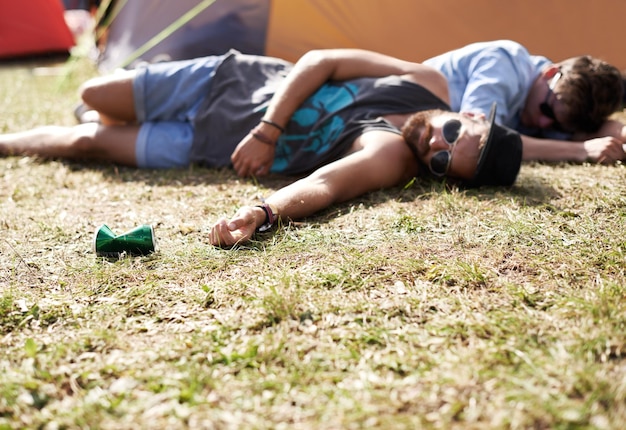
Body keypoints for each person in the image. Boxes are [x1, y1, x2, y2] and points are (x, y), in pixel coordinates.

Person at [0, 49, 522, 247]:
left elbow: (325, 184)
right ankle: (110, 107)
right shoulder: (427, 79)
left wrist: (263, 211)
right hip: (230, 82)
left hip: (211, 144)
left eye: (440, 162)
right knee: (95, 94)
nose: (434, 143)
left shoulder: (390, 155)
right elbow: (321, 60)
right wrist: (270, 129)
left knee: (89, 142)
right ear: (470, 113)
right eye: (451, 135)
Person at [424, 40, 626, 164]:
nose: (543, 125)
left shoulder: (552, 98)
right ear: (550, 72)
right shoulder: (504, 63)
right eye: (547, 110)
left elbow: (594, 131)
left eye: (557, 125)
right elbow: (480, 140)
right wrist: (580, 150)